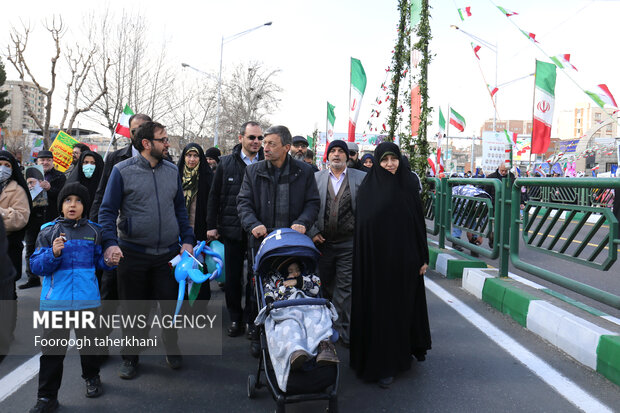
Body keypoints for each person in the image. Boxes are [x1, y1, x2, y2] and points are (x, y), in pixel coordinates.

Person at [99, 121, 195, 379]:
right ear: (146, 143)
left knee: (170, 308)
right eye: (163, 139)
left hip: (168, 256)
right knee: (133, 311)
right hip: (133, 254)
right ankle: (130, 357)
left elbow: (180, 210)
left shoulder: (172, 170)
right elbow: (106, 211)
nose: (168, 143)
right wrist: (109, 243)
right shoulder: (121, 171)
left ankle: (171, 344)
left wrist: (187, 239)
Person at [28, 182, 118, 413]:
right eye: (68, 200)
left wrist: (109, 261)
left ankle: (92, 377)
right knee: (52, 353)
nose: (72, 205)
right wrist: (53, 253)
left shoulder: (94, 232)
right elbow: (37, 266)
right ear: (61, 205)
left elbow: (99, 263)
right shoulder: (48, 231)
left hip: (87, 302)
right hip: (55, 303)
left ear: (84, 206)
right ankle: (47, 397)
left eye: (78, 201)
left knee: (89, 346)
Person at [350, 142, 431, 389]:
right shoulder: (368, 189)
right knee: (381, 312)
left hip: (405, 262)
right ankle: (383, 364)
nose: (389, 164)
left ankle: (403, 353)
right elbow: (363, 229)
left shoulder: (407, 185)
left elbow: (419, 225)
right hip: (376, 265)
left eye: (393, 159)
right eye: (384, 160)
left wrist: (423, 257)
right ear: (377, 161)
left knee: (403, 308)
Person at [207, 121, 264, 338]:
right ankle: (234, 318)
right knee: (231, 279)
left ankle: (252, 320)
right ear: (241, 138)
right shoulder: (225, 163)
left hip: (257, 232)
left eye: (259, 138)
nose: (256, 142)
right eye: (252, 137)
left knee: (254, 277)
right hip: (231, 230)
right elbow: (214, 196)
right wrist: (212, 226)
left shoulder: (266, 163)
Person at [308, 140, 366, 347]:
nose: (337, 155)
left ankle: (341, 329)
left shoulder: (361, 178)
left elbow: (368, 209)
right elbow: (308, 207)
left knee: (345, 286)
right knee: (321, 284)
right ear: (327, 155)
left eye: (341, 151)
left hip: (349, 243)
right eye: (332, 151)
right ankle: (322, 328)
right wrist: (313, 231)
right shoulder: (316, 178)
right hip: (321, 243)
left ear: (348, 156)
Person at [255, 257, 338, 391]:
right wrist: (271, 300)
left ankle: (324, 348)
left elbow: (316, 287)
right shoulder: (277, 282)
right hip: (287, 310)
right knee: (290, 326)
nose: (295, 273)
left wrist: (298, 282)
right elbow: (268, 292)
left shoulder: (307, 278)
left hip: (307, 307)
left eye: (298, 270)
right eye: (291, 271)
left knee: (319, 320)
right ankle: (295, 351)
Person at [20, 150, 66, 290]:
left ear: (52, 162)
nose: (45, 162)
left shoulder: (59, 177)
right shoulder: (28, 175)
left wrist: (50, 188)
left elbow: (63, 196)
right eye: (42, 160)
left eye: (48, 160)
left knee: (54, 247)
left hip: (52, 219)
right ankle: (32, 277)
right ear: (37, 162)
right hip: (33, 218)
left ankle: (54, 276)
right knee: (30, 248)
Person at [178, 143, 213, 301]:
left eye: (196, 156)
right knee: (179, 267)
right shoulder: (176, 175)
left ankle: (199, 303)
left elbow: (214, 204)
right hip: (178, 231)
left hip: (199, 230)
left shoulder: (207, 177)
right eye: (188, 155)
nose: (192, 159)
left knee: (199, 266)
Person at [0, 151, 32, 293]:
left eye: (7, 165)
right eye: (0, 164)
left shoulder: (17, 191)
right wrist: (7, 213)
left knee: (7, 293)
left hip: (8, 249)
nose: (2, 168)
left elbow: (20, 219)